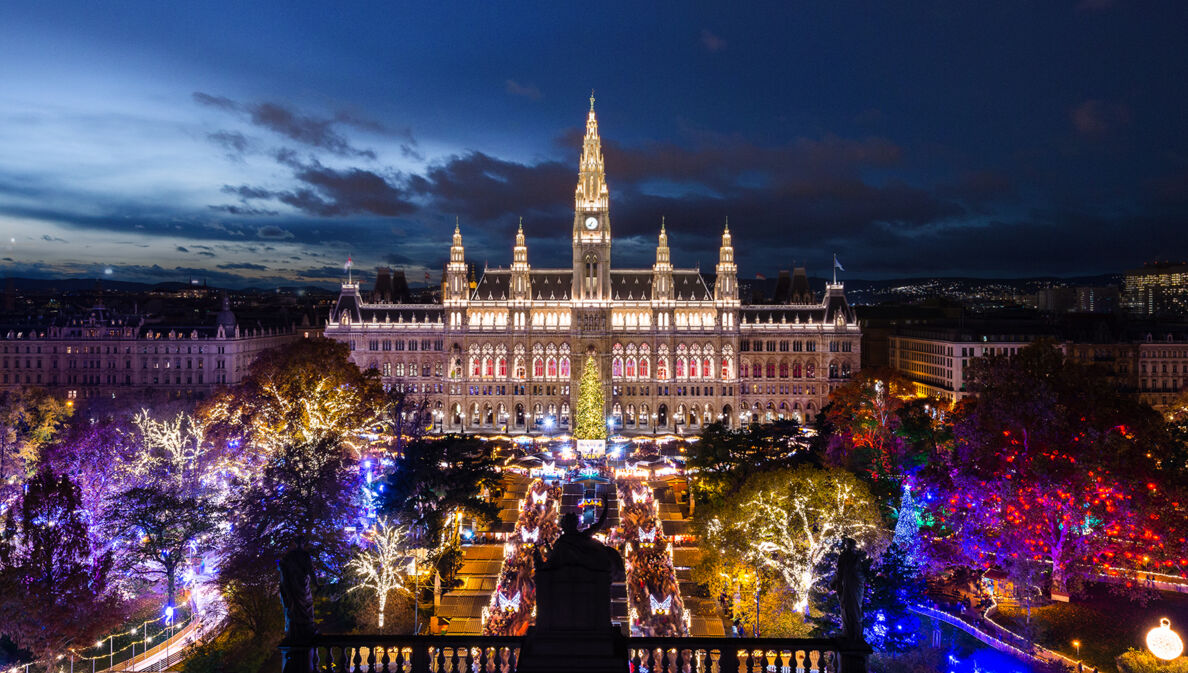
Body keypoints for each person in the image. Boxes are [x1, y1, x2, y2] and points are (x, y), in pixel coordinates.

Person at [278, 536, 320, 639]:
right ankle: (306, 626)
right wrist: (316, 584)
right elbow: (310, 570)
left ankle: (297, 627)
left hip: (293, 584)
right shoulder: (305, 555)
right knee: (305, 605)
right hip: (301, 584)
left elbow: (283, 568)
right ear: (303, 543)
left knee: (296, 606)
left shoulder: (289, 555)